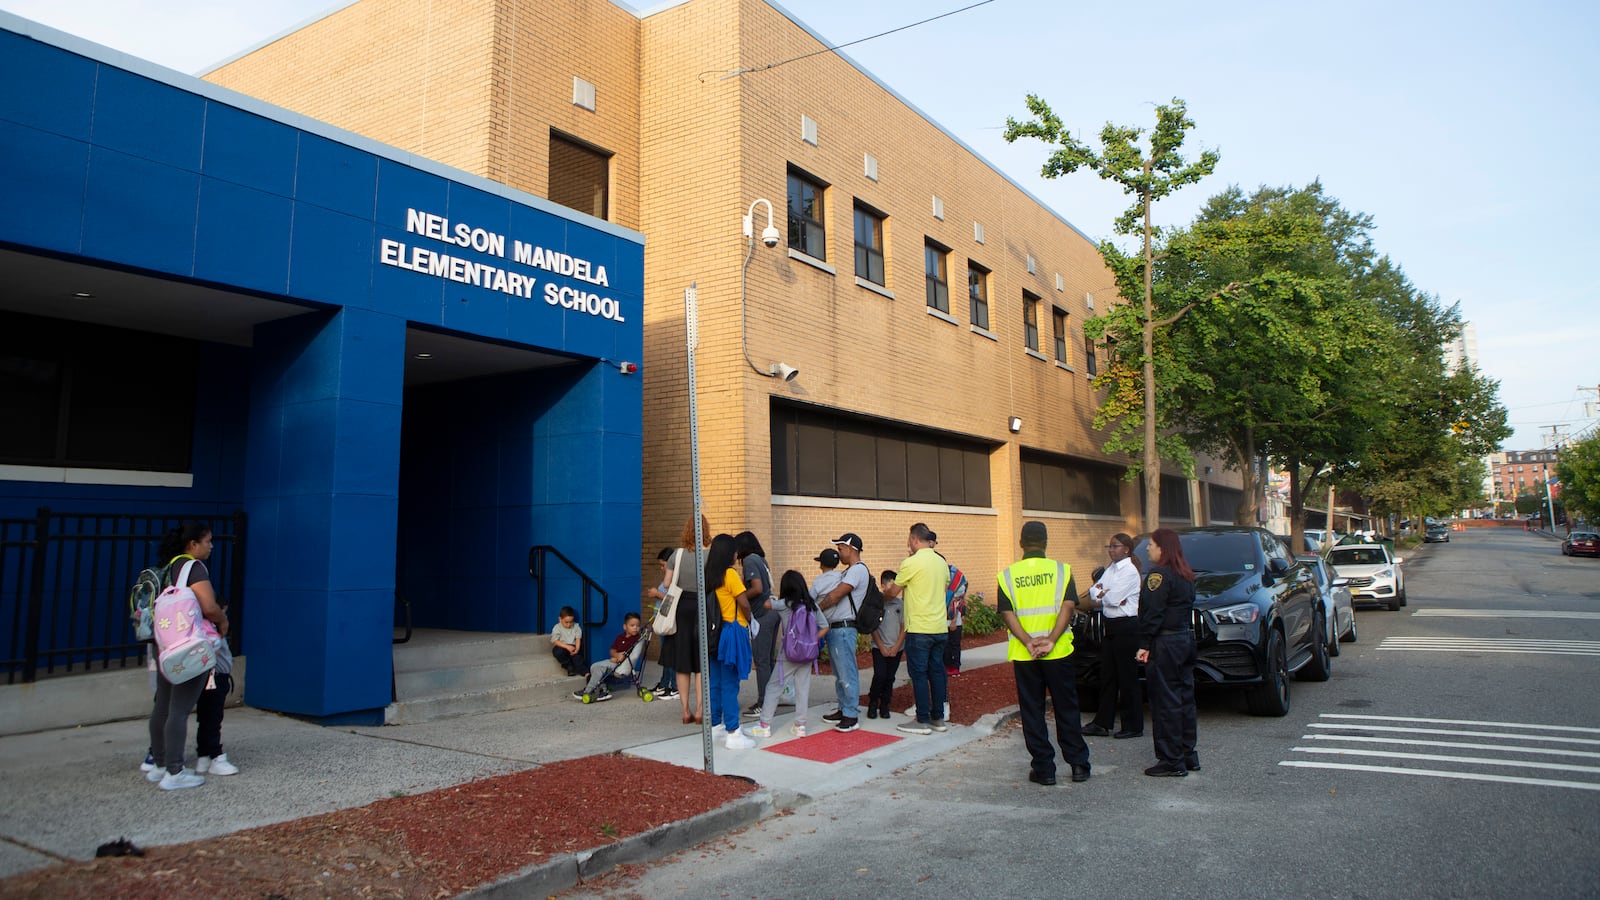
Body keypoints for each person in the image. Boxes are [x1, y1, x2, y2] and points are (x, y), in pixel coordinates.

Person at [996, 520, 1090, 785]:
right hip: (1057, 651)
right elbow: (1069, 606)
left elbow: (1007, 613)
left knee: (1032, 711)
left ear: (1021, 543)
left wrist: (1028, 641)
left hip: (1026, 655)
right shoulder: (1062, 570)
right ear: (1046, 542)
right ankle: (1079, 764)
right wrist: (1050, 639)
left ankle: (1044, 769)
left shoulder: (1008, 575)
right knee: (1066, 707)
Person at [144, 522, 228, 791]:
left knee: (163, 705)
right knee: (180, 710)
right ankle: (175, 772)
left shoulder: (168, 568)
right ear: (193, 544)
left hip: (164, 644)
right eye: (207, 541)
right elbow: (209, 607)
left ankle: (158, 765)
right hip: (188, 646)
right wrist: (223, 621)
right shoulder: (194, 568)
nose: (211, 546)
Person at [1135, 527, 1199, 777]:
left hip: (1165, 644)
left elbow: (1152, 613)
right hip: (1184, 639)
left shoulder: (1158, 575)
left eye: (1151, 544)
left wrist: (1144, 644)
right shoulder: (1185, 574)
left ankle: (1171, 760)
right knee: (1184, 699)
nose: (1149, 548)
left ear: (1163, 548)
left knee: (1165, 702)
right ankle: (1187, 753)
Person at [883, 523, 949, 736]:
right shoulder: (941, 562)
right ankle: (938, 718)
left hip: (919, 628)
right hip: (940, 627)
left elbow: (893, 593)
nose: (907, 543)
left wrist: (881, 595)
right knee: (937, 672)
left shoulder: (910, 563)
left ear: (914, 539)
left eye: (908, 539)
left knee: (919, 674)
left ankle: (921, 719)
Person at [748, 570, 828, 739]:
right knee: (802, 688)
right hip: (808, 653)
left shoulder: (785, 604)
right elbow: (825, 626)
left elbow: (766, 605)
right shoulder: (811, 604)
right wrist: (811, 640)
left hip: (789, 653)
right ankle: (800, 726)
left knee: (773, 687)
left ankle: (764, 725)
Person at [1080, 533, 1144, 740]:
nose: (1111, 550)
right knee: (1107, 676)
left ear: (1126, 549)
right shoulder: (1111, 569)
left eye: (1115, 546)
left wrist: (1104, 593)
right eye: (1109, 546)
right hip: (1111, 626)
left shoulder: (1130, 572)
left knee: (1127, 678)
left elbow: (1114, 599)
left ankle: (1133, 725)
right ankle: (1102, 722)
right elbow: (1093, 592)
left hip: (1126, 627)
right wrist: (1104, 592)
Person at [705, 534, 757, 749]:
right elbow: (744, 602)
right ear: (728, 553)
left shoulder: (708, 575)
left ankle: (717, 725)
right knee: (730, 683)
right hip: (732, 630)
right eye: (734, 550)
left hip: (712, 633)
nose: (737, 554)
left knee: (715, 683)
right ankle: (733, 732)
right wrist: (750, 617)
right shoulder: (730, 574)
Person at [816, 533, 869, 733]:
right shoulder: (849, 571)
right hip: (837, 628)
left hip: (844, 628)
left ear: (851, 549)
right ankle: (843, 708)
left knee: (846, 672)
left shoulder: (857, 571)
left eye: (841, 549)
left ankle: (851, 715)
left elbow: (837, 595)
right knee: (840, 673)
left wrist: (817, 609)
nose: (839, 553)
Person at [662, 516, 711, 724]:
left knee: (683, 661)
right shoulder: (710, 554)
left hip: (681, 607)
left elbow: (666, 583)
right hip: (703, 605)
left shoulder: (677, 555)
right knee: (701, 662)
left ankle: (685, 710)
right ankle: (700, 710)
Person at [735, 532, 778, 721]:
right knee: (768, 661)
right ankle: (771, 700)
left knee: (761, 662)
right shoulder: (761, 559)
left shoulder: (750, 560)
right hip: (772, 612)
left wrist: (740, 596)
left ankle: (764, 703)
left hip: (762, 614)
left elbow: (758, 588)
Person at [572, 612, 643, 702]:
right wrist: (616, 655)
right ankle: (603, 690)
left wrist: (619, 658)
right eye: (632, 625)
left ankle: (588, 690)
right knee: (594, 666)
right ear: (625, 627)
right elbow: (612, 650)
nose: (635, 628)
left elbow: (632, 655)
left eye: (637, 626)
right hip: (616, 661)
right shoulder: (620, 637)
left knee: (599, 667)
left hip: (622, 666)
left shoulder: (636, 639)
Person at [644, 548, 682, 703]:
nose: (661, 568)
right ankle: (664, 682)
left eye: (663, 565)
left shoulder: (676, 579)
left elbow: (674, 599)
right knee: (665, 655)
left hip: (669, 623)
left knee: (671, 655)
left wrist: (657, 594)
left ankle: (674, 686)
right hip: (661, 621)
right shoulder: (668, 578)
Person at [866, 569, 905, 719]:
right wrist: (881, 646)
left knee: (890, 677)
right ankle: (873, 702)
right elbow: (873, 627)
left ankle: (885, 704)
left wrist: (896, 647)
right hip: (879, 647)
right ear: (882, 586)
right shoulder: (877, 604)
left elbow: (904, 627)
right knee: (880, 675)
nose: (893, 590)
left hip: (896, 647)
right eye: (890, 586)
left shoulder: (900, 605)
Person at [943, 558, 968, 676]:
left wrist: (953, 620)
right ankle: (947, 666)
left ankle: (955, 667)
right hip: (941, 621)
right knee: (945, 645)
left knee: (954, 645)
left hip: (954, 621)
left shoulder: (956, 579)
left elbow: (958, 601)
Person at [550, 606, 584, 676]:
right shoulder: (557, 627)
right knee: (557, 651)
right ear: (560, 619)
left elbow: (578, 639)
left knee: (578, 658)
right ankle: (568, 665)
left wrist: (577, 649)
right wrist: (567, 647)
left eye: (571, 622)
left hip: (573, 647)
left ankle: (586, 673)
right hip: (563, 646)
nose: (569, 625)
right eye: (566, 622)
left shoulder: (576, 627)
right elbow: (555, 641)